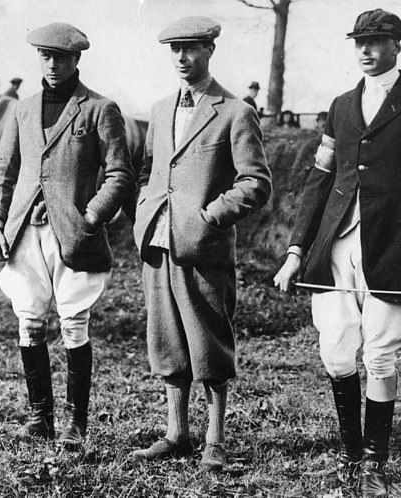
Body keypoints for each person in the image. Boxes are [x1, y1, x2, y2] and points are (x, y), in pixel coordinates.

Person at [274, 9, 401, 496]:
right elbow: (320, 179)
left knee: (379, 353)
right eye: (359, 41)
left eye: (377, 41)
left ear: (398, 44)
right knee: (336, 348)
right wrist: (296, 250)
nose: (366, 50)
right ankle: (350, 456)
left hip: (396, 244)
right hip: (335, 244)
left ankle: (375, 463)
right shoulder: (340, 106)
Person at [0, 22, 135, 450]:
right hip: (24, 234)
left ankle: (75, 424)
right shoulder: (24, 109)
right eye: (46, 56)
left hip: (74, 236)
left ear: (77, 60)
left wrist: (92, 215)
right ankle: (40, 416)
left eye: (62, 57)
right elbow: (2, 170)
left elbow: (120, 173)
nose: (53, 65)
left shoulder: (99, 109)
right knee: (29, 320)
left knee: (74, 322)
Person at [130, 16, 272, 471]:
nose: (181, 58)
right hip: (159, 243)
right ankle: (177, 433)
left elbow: (255, 182)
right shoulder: (158, 108)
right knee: (167, 341)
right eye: (174, 49)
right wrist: (145, 210)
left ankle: (215, 440)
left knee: (208, 341)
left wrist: (211, 215)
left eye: (191, 48)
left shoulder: (234, 111)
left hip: (204, 247)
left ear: (210, 50)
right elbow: (150, 168)